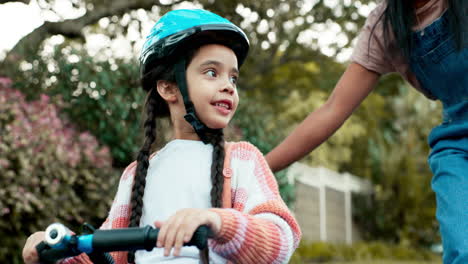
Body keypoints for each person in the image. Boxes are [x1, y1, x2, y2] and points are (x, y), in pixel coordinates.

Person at [22, 9, 301, 264]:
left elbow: (280, 241)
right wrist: (57, 250)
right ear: (168, 88)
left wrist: (217, 222)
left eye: (233, 78)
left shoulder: (242, 159)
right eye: (212, 72)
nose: (228, 86)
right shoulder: (137, 175)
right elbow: (107, 257)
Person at [266, 0, 467, 263]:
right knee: (462, 250)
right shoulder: (385, 27)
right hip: (457, 147)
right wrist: (257, 166)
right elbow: (333, 109)